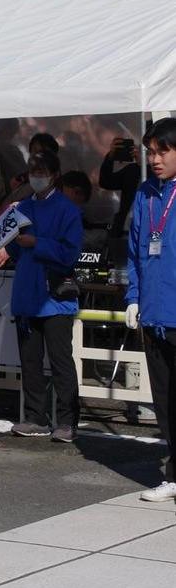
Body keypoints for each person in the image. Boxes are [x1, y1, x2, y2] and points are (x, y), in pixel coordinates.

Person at [0, 151, 83, 443]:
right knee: (30, 362)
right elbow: (17, 246)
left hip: (55, 298)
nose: (35, 175)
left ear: (54, 174)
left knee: (60, 362)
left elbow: (70, 254)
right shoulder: (23, 207)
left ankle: (67, 421)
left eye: (41, 171)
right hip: (27, 296)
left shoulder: (68, 210)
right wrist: (9, 249)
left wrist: (36, 243)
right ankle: (35, 417)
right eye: (32, 170)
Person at [126, 117, 176, 502]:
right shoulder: (145, 192)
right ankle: (173, 472)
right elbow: (136, 250)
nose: (155, 159)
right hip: (155, 313)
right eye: (151, 152)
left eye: (164, 151)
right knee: (163, 397)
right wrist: (134, 297)